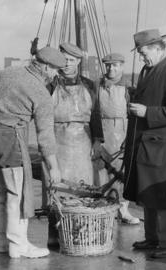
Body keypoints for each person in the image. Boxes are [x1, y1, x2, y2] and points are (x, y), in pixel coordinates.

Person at [0, 46, 64, 259]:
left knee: (0, 189)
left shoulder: (8, 73)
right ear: (46, 66)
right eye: (55, 70)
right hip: (10, 138)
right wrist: (53, 167)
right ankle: (19, 246)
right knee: (17, 194)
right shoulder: (40, 92)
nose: (56, 75)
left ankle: (3, 242)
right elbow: (45, 137)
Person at [123, 29, 166, 258]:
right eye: (141, 55)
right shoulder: (150, 69)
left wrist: (146, 112)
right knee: (149, 193)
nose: (142, 58)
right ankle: (153, 239)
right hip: (150, 146)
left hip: (164, 149)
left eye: (144, 53)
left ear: (158, 48)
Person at [44, 42, 104, 249]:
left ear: (78, 61)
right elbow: (42, 120)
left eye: (71, 60)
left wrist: (97, 141)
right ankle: (54, 236)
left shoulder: (89, 85)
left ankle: (82, 233)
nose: (67, 64)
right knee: (57, 187)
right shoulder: (50, 85)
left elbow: (95, 116)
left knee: (84, 187)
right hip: (58, 140)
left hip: (83, 142)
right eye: (64, 60)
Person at [94, 53, 139, 225]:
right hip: (102, 133)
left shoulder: (129, 88)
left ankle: (123, 210)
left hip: (122, 134)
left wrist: (130, 137)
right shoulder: (97, 86)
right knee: (101, 173)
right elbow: (93, 112)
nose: (111, 69)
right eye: (108, 65)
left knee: (122, 174)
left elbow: (134, 115)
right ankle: (104, 210)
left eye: (115, 65)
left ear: (122, 67)